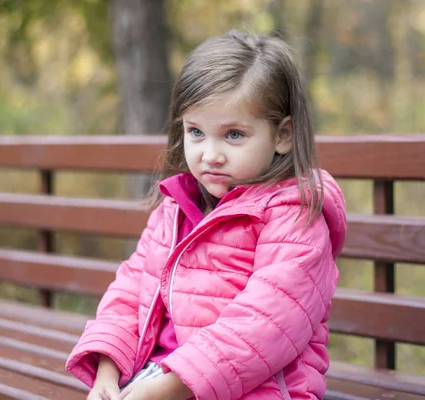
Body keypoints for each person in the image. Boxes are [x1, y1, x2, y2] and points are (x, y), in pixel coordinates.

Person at [65, 29, 347, 400]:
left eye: (233, 135)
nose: (210, 154)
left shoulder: (294, 218)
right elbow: (132, 291)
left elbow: (263, 326)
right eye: (196, 132)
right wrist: (107, 370)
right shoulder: (177, 207)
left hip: (253, 390)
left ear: (283, 135)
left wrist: (166, 389)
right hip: (156, 380)